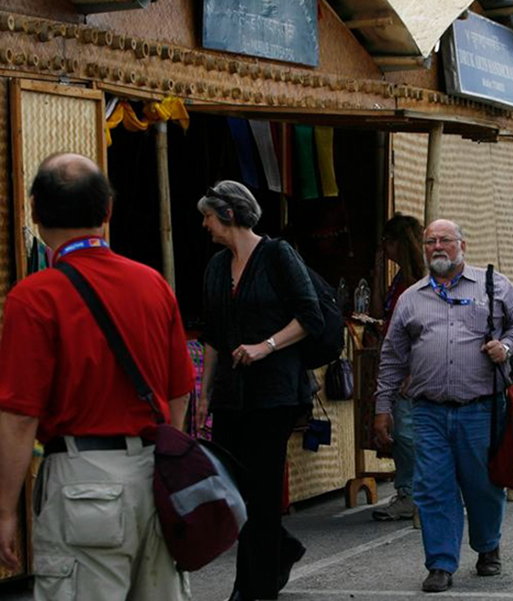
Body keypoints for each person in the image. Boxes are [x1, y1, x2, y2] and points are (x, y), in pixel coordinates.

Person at [0, 153, 194, 599]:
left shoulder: (34, 296)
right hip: (155, 476)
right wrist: (166, 465)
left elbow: (18, 416)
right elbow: (181, 392)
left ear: (33, 209)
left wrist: (5, 509)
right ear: (107, 211)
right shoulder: (153, 285)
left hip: (81, 482)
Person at [373, 219, 513, 593]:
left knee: (482, 485)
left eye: (445, 240)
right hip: (428, 411)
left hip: (481, 408)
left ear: (463, 244)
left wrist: (507, 346)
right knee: (433, 487)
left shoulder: (492, 285)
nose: (437, 247)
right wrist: (382, 407)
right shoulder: (410, 298)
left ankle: (487, 546)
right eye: (430, 241)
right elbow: (392, 358)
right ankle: (441, 563)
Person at [196, 181, 325, 601]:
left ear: (229, 215)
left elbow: (310, 316)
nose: (205, 224)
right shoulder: (216, 266)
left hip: (275, 394)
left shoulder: (277, 255)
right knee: (234, 490)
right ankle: (280, 549)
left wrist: (265, 346)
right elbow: (213, 335)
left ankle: (255, 587)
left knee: (263, 491)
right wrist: (203, 397)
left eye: (209, 216)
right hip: (231, 396)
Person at [369, 214, 426, 522]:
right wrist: (378, 272)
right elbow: (379, 314)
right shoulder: (399, 279)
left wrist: (415, 369)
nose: (385, 249)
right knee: (402, 431)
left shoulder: (422, 281)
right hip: (395, 360)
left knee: (406, 432)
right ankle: (409, 491)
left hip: (412, 366)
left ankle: (414, 492)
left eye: (387, 243)